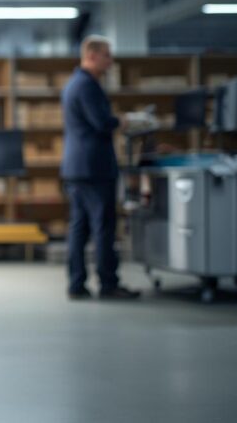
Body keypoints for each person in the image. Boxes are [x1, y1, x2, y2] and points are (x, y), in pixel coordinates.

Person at [60, 35, 140, 300]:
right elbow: (102, 123)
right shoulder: (87, 86)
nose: (111, 60)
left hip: (76, 167)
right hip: (94, 168)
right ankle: (108, 284)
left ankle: (76, 283)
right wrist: (124, 121)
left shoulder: (74, 83)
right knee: (103, 227)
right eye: (107, 55)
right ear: (92, 55)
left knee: (79, 228)